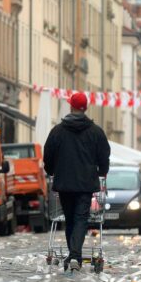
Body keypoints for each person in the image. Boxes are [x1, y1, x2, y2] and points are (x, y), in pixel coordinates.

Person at [44, 92, 110, 272]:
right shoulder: (96, 132)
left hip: (64, 183)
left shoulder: (57, 131)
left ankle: (74, 255)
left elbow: (48, 154)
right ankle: (74, 255)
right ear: (85, 108)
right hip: (86, 184)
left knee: (70, 218)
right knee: (81, 217)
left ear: (71, 107)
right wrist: (102, 172)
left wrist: (50, 170)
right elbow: (104, 155)